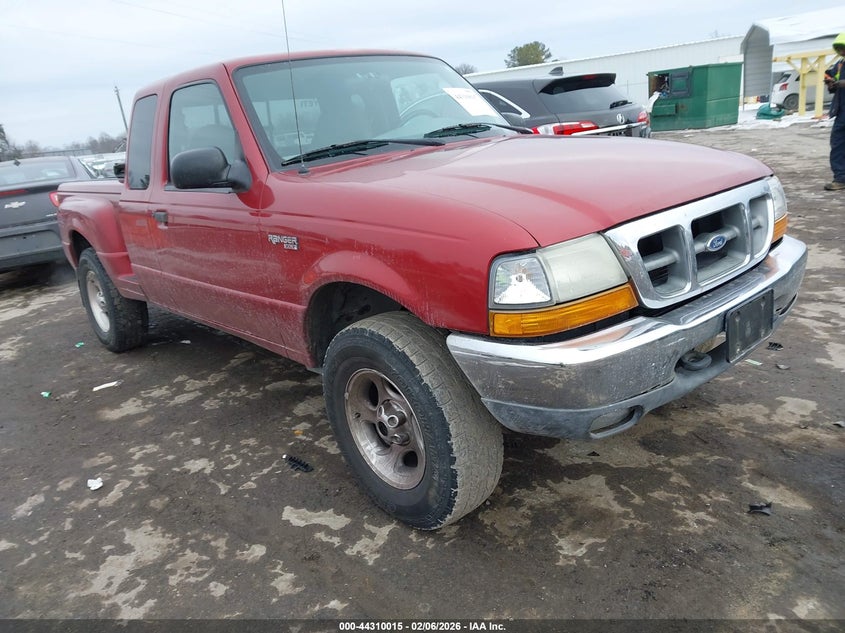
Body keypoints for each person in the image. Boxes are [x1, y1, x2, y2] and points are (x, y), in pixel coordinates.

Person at [823, 33, 845, 191]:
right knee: (837, 144)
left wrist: (842, 83)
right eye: (839, 49)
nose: (842, 51)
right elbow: (830, 76)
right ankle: (841, 178)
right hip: (841, 110)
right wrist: (830, 83)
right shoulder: (840, 64)